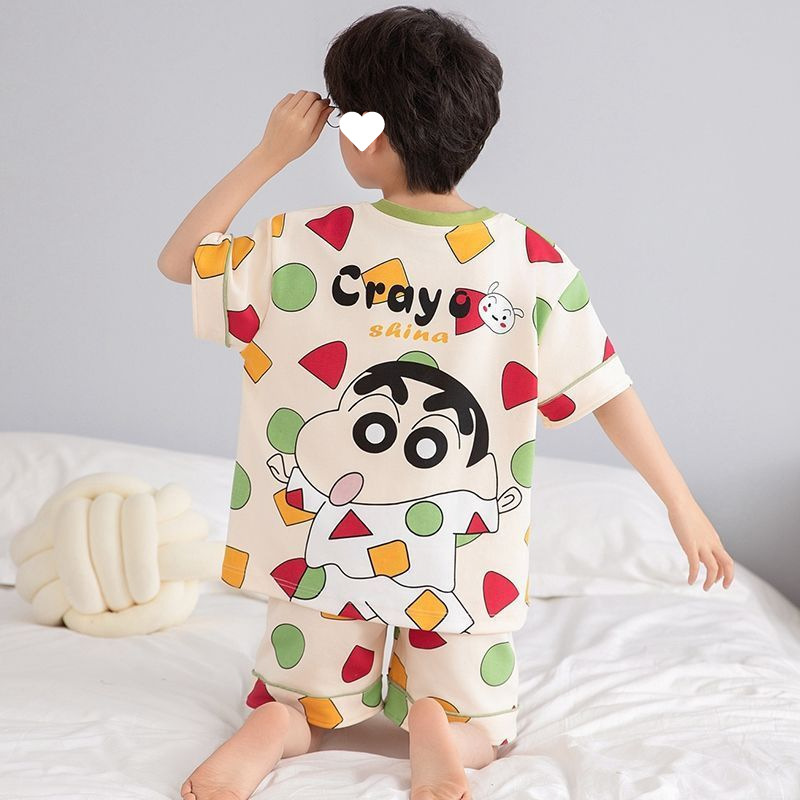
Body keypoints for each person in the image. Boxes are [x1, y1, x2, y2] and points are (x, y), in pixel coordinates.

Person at [158, 6, 735, 800]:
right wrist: (681, 504)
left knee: (301, 700)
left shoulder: (305, 241)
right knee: (485, 731)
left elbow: (182, 261)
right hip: (461, 564)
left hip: (321, 550)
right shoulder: (528, 260)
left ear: (370, 133)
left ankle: (278, 726)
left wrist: (270, 154)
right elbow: (604, 386)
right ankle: (438, 727)